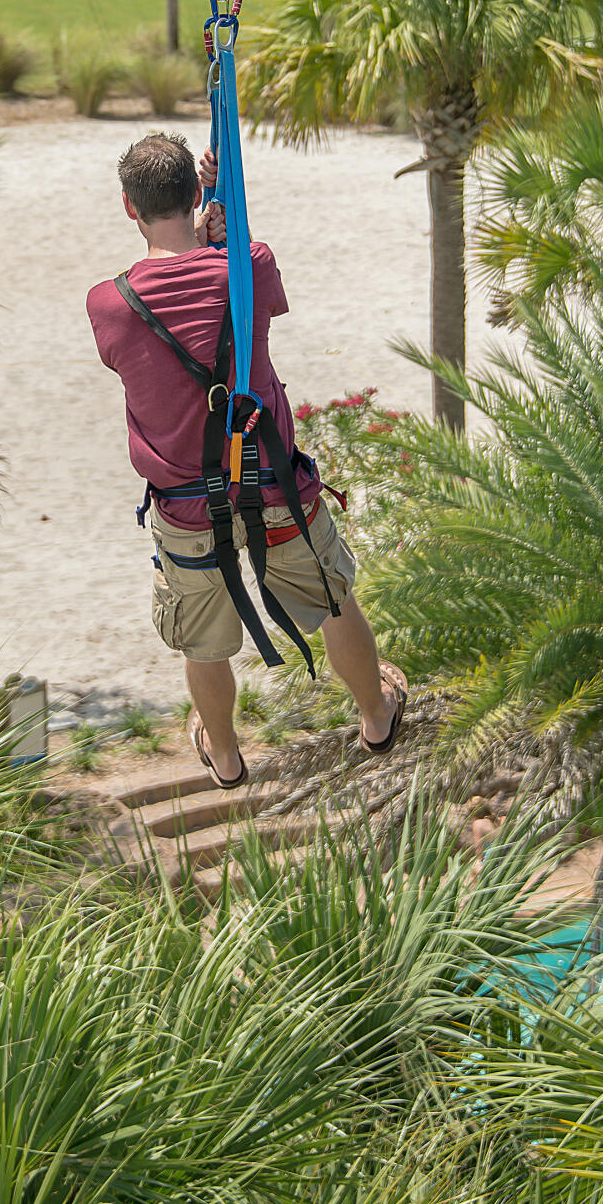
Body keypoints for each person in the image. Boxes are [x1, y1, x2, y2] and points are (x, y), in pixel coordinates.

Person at [86, 133, 405, 789]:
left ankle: (226, 756)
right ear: (194, 196)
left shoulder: (110, 303)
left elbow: (139, 351)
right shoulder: (248, 265)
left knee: (203, 640)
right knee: (332, 601)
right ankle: (376, 716)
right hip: (274, 488)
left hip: (186, 509)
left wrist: (204, 240)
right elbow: (248, 290)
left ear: (128, 206)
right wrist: (218, 239)